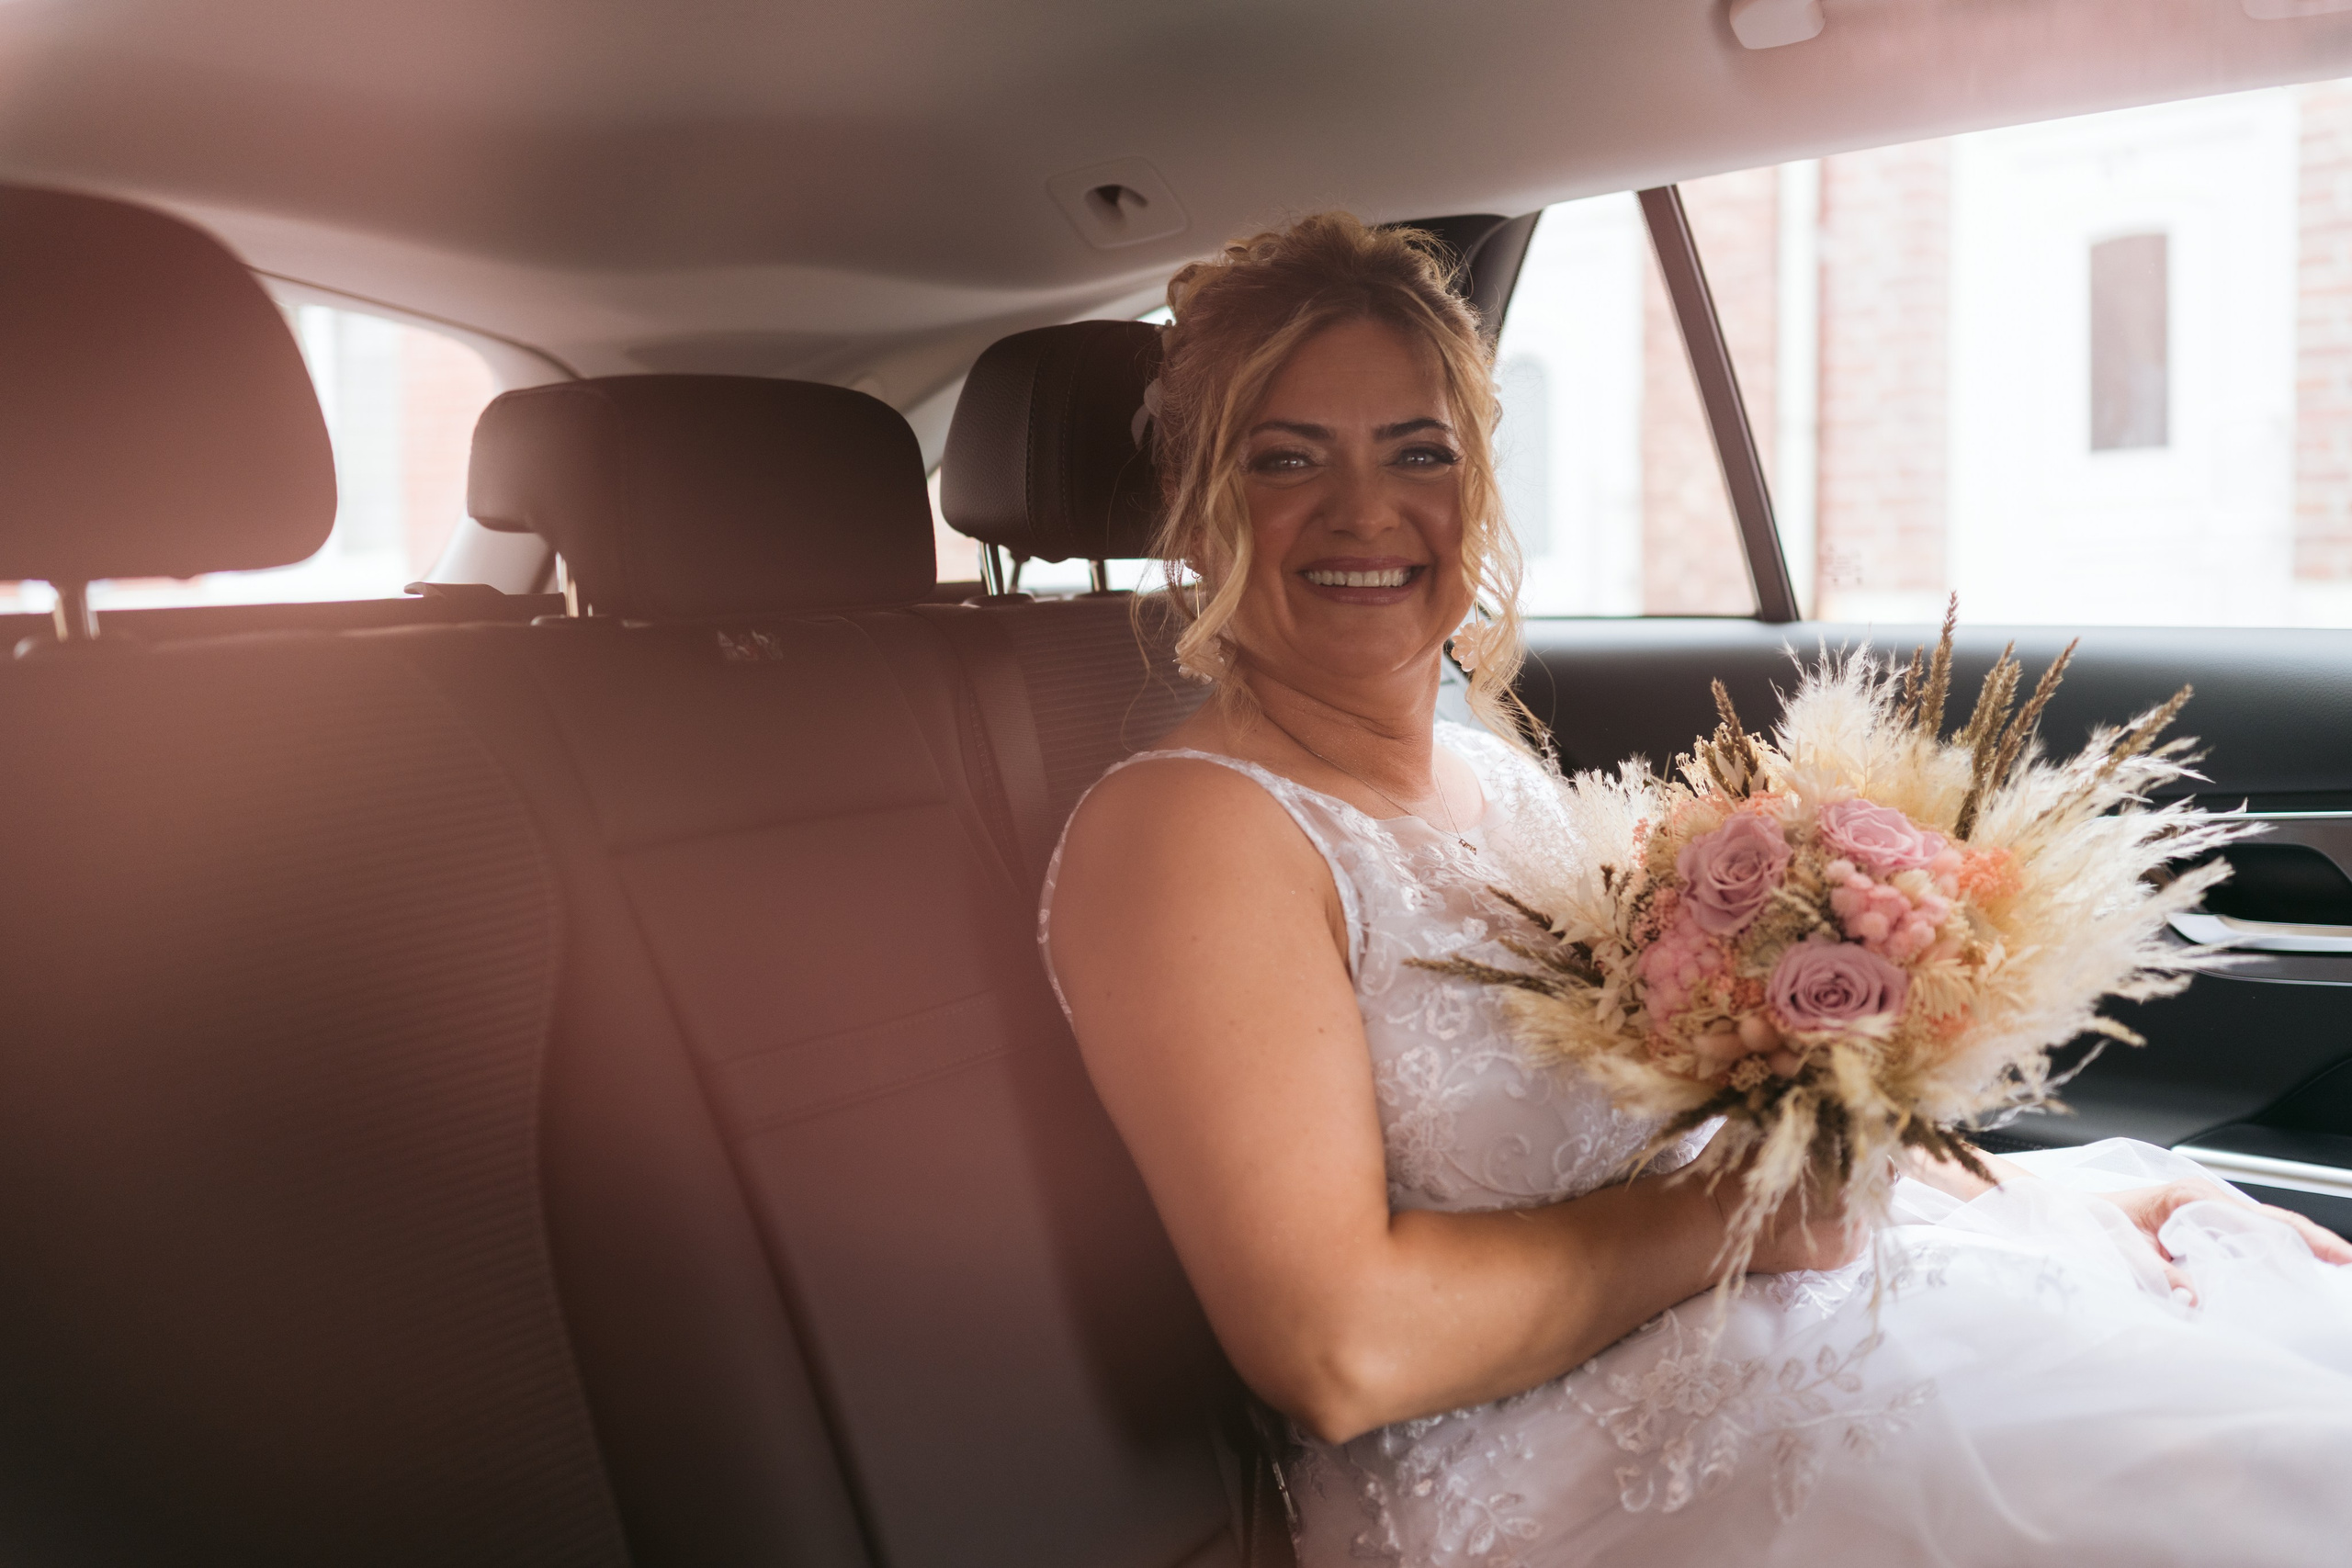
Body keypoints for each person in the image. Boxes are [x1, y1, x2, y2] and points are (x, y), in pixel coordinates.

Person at [1041, 211, 2352, 1567]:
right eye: (1285, 458)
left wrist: (2057, 1200)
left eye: (1417, 451)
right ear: (1200, 508)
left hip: (1769, 1346)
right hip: (1559, 1480)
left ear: (1478, 484)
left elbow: (1699, 1147)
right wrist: (1742, 1222)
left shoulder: (1503, 779)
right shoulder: (1189, 835)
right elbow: (1342, 1350)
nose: (1366, 511)